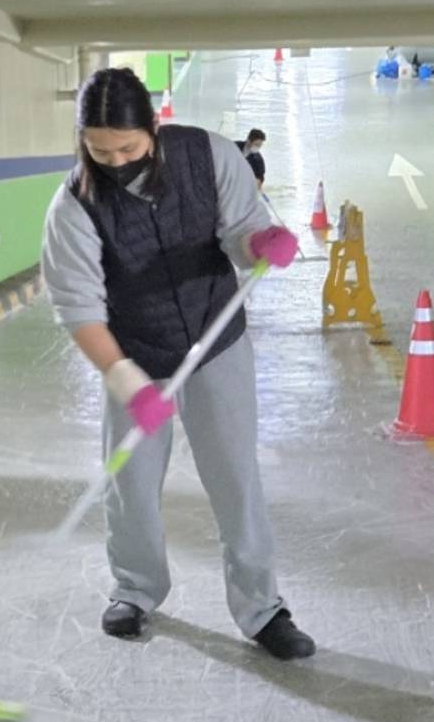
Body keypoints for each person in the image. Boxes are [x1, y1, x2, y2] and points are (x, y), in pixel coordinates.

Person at [42, 68, 314, 660]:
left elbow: (243, 230)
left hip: (217, 341)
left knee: (235, 478)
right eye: (99, 150)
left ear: (153, 129)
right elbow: (79, 309)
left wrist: (261, 244)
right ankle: (136, 590)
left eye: (128, 148)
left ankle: (262, 608)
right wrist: (125, 379)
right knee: (132, 483)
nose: (115, 161)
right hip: (133, 350)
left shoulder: (208, 156)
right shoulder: (74, 205)